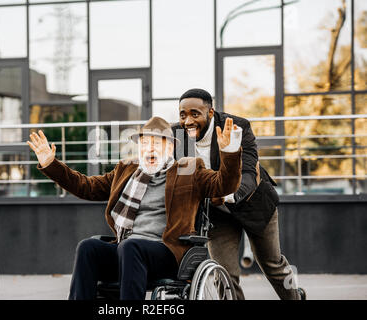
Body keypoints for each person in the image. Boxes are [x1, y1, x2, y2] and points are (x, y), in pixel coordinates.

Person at [27, 116, 242, 300]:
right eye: (145, 143)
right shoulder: (126, 171)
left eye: (157, 143)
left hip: (167, 253)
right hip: (127, 252)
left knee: (131, 247)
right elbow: (87, 187)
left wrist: (230, 152)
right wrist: (51, 164)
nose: (149, 148)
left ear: (170, 147)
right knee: (88, 247)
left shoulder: (188, 171)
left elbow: (223, 184)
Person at [172, 88, 305, 300]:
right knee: (224, 275)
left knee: (272, 264)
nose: (188, 121)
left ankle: (294, 297)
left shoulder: (236, 126)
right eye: (182, 115)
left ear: (211, 112)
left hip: (253, 204)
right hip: (217, 215)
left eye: (194, 114)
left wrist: (224, 194)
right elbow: (183, 178)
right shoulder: (179, 136)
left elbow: (249, 172)